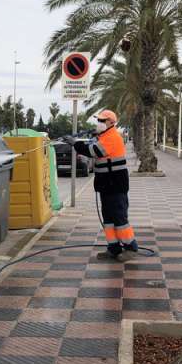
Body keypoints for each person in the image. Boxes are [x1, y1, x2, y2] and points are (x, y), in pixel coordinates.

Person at [63, 109, 138, 261]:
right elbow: (95, 146)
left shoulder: (113, 137)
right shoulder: (104, 136)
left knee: (119, 218)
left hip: (116, 185)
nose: (99, 123)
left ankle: (130, 248)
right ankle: (114, 248)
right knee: (109, 219)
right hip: (106, 185)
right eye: (99, 120)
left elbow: (94, 151)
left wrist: (75, 143)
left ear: (111, 123)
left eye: (102, 121)